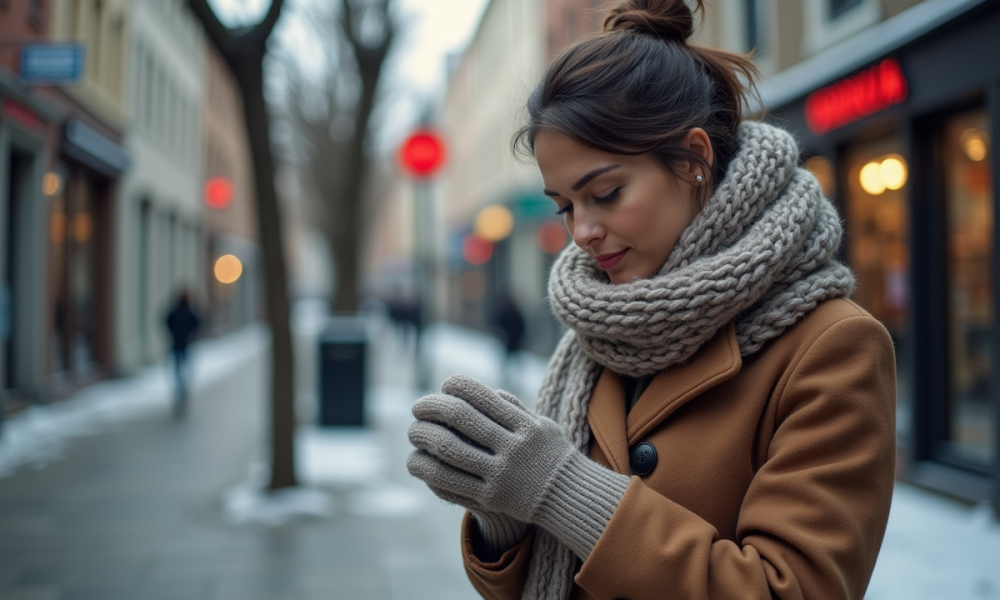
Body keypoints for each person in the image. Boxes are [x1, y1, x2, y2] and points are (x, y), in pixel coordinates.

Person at [406, 1, 896, 599]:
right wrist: (505, 519)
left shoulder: (834, 345)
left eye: (606, 193)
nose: (582, 232)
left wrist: (560, 489)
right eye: (565, 207)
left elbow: (790, 589)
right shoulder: (599, 333)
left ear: (694, 161)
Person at [165, 291, 201, 416]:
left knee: (178, 371)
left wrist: (173, 335)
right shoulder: (190, 312)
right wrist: (192, 336)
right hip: (186, 345)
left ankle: (179, 391)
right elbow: (198, 323)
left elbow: (167, 322)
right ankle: (183, 391)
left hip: (176, 345)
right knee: (185, 369)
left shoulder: (174, 312)